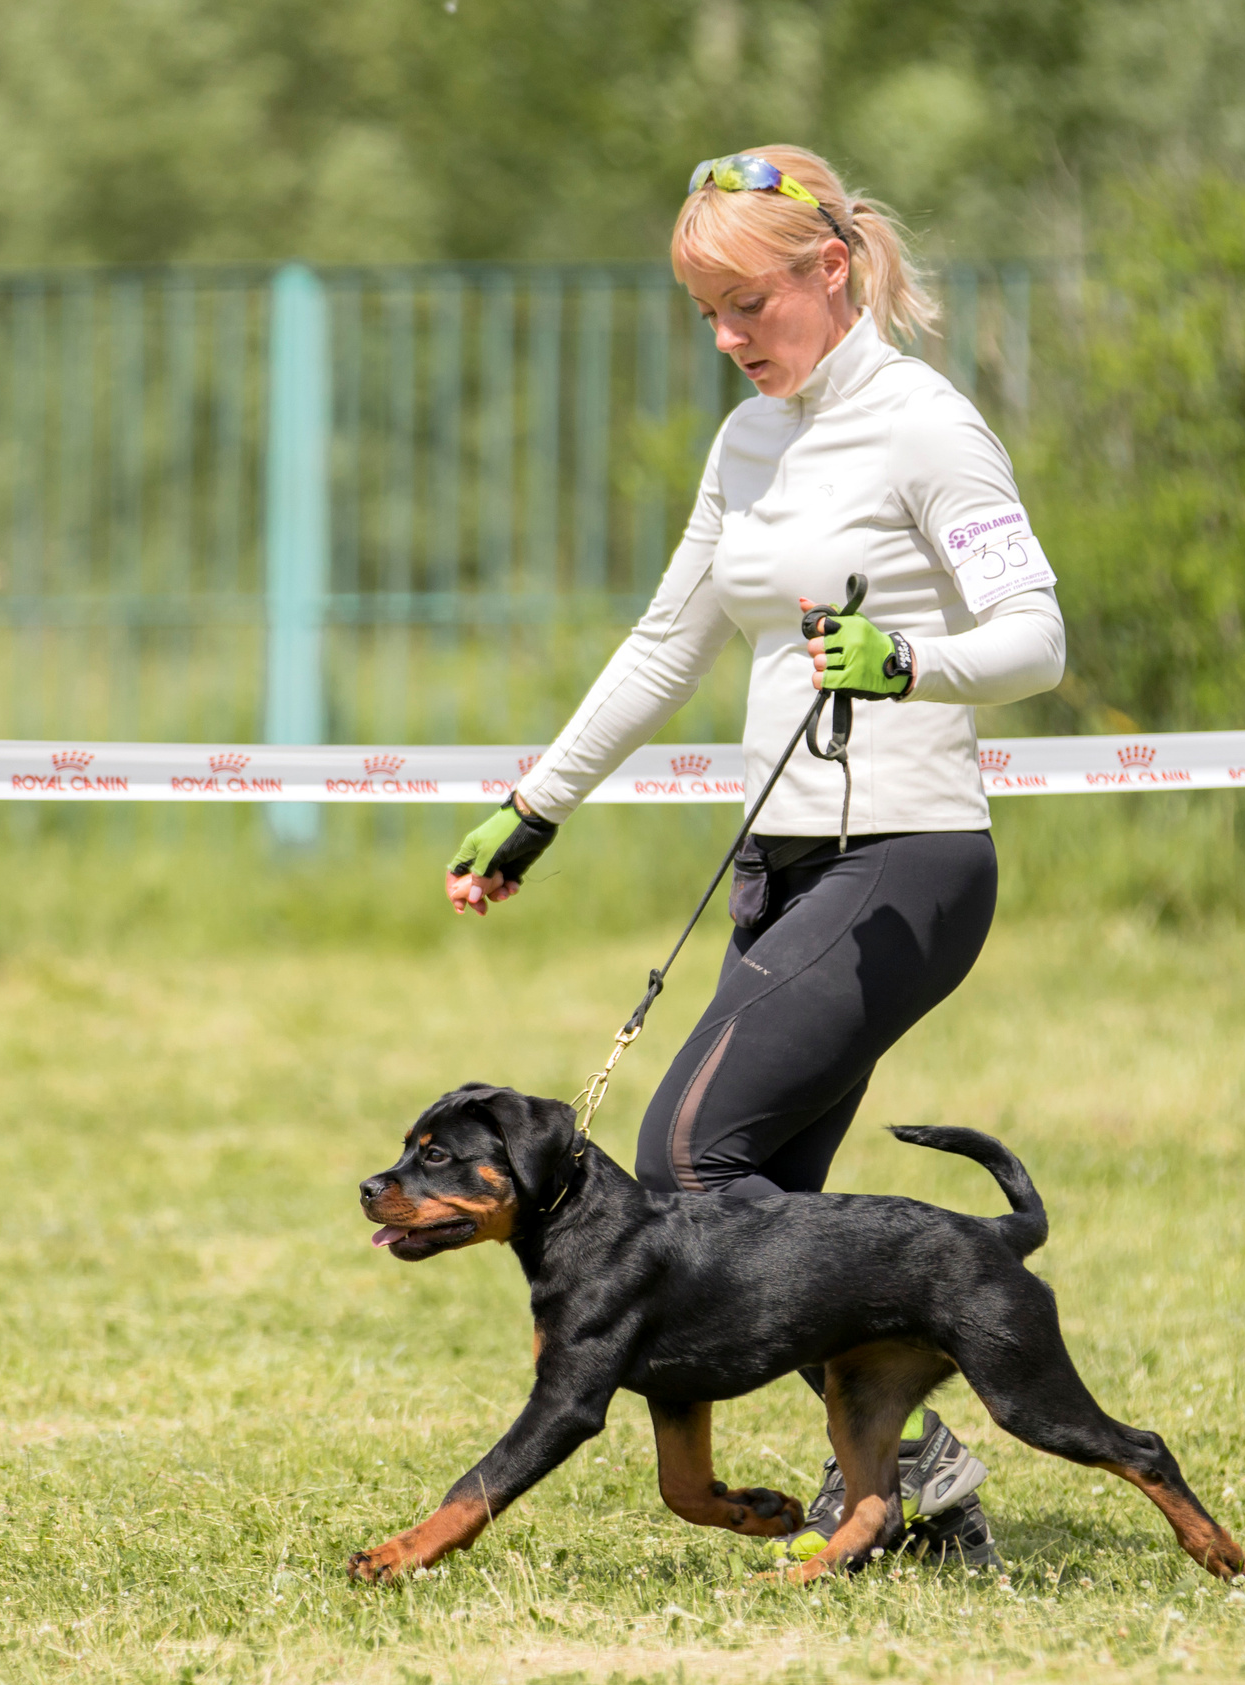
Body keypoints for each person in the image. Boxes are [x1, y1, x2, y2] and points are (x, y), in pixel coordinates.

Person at [441, 145, 1065, 1568]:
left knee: (684, 1152)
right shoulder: (747, 441)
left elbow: (1037, 636)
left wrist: (908, 661)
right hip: (780, 872)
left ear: (830, 272)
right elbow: (670, 641)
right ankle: (908, 1480)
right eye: (705, 313)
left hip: (905, 862)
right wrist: (538, 803)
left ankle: (915, 1458)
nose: (726, 338)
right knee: (770, 1214)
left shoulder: (928, 426)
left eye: (747, 306)